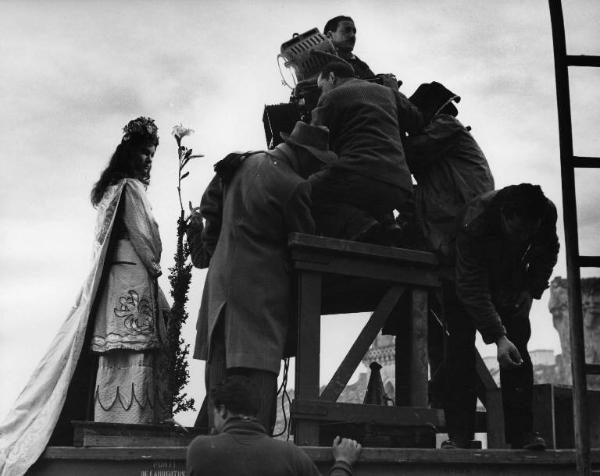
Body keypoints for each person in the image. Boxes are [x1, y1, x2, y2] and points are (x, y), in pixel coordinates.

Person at [0, 117, 170, 476]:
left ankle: (112, 421)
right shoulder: (131, 190)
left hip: (113, 283)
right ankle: (130, 429)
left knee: (117, 350)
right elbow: (147, 238)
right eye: (143, 153)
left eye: (152, 154)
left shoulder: (109, 192)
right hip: (133, 277)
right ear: (128, 153)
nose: (148, 160)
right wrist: (156, 267)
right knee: (132, 348)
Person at [187, 122, 337, 434]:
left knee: (219, 384)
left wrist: (218, 249)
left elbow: (209, 206)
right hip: (260, 301)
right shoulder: (294, 185)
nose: (316, 169)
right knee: (257, 399)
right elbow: (305, 244)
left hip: (219, 297)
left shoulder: (240, 163)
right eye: (317, 162)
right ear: (305, 155)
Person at [446, 184, 559, 450]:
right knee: (459, 349)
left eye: (528, 233)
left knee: (518, 347)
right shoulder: (475, 222)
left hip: (510, 279)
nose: (522, 239)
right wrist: (498, 337)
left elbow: (548, 250)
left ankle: (522, 435)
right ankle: (459, 436)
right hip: (460, 277)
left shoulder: (545, 213)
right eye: (517, 231)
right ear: (505, 216)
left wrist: (531, 287)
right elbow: (471, 286)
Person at [404, 82, 495, 409]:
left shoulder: (444, 128)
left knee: (456, 328)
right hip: (457, 235)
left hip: (462, 235)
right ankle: (444, 398)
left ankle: (444, 398)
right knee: (450, 327)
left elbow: (408, 155)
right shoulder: (444, 145)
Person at [310, 61, 423, 243]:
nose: (321, 93)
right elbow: (417, 120)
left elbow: (311, 141)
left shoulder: (331, 98)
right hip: (400, 186)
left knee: (305, 191)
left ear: (331, 77)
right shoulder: (388, 93)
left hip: (360, 177)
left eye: (321, 87)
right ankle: (388, 224)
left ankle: (361, 225)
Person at [187, 376, 362, 476]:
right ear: (255, 409)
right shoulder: (290, 454)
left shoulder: (200, 449)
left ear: (223, 410)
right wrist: (343, 462)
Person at [323, 16, 374, 80]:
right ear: (330, 35)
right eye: (347, 30)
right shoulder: (317, 63)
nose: (353, 35)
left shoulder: (362, 67)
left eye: (354, 32)